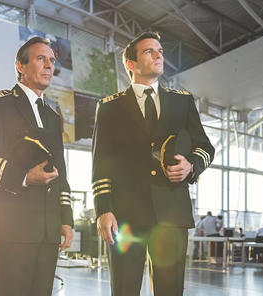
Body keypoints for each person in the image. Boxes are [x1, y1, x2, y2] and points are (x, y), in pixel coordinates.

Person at [92, 32, 214, 296]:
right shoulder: (109, 108)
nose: (159, 55)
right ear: (131, 64)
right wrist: (104, 209)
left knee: (170, 290)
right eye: (149, 51)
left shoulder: (183, 101)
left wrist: (191, 166)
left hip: (172, 214)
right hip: (125, 217)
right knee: (124, 289)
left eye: (160, 50)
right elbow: (100, 163)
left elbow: (205, 147)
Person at [0, 36, 74, 296]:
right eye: (41, 59)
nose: (49, 65)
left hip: (49, 228)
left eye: (51, 61)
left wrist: (66, 218)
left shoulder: (52, 115)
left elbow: (60, 170)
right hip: (13, 225)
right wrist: (25, 177)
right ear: (21, 66)